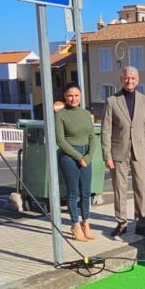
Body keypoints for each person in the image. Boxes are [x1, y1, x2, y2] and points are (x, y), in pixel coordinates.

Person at [101, 66, 145, 238]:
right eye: (126, 78)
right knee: (119, 188)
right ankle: (121, 223)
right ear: (121, 79)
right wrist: (107, 155)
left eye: (133, 78)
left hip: (140, 151)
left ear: (138, 80)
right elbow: (106, 130)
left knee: (141, 187)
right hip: (118, 152)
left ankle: (141, 223)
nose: (129, 81)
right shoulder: (112, 101)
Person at [55, 85, 94, 242]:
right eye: (70, 95)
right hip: (70, 156)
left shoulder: (85, 113)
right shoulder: (61, 115)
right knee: (73, 193)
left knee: (86, 192)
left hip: (86, 155)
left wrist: (89, 156)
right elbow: (60, 141)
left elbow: (92, 136)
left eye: (77, 95)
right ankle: (75, 225)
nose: (74, 99)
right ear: (65, 96)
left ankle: (86, 222)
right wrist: (79, 157)